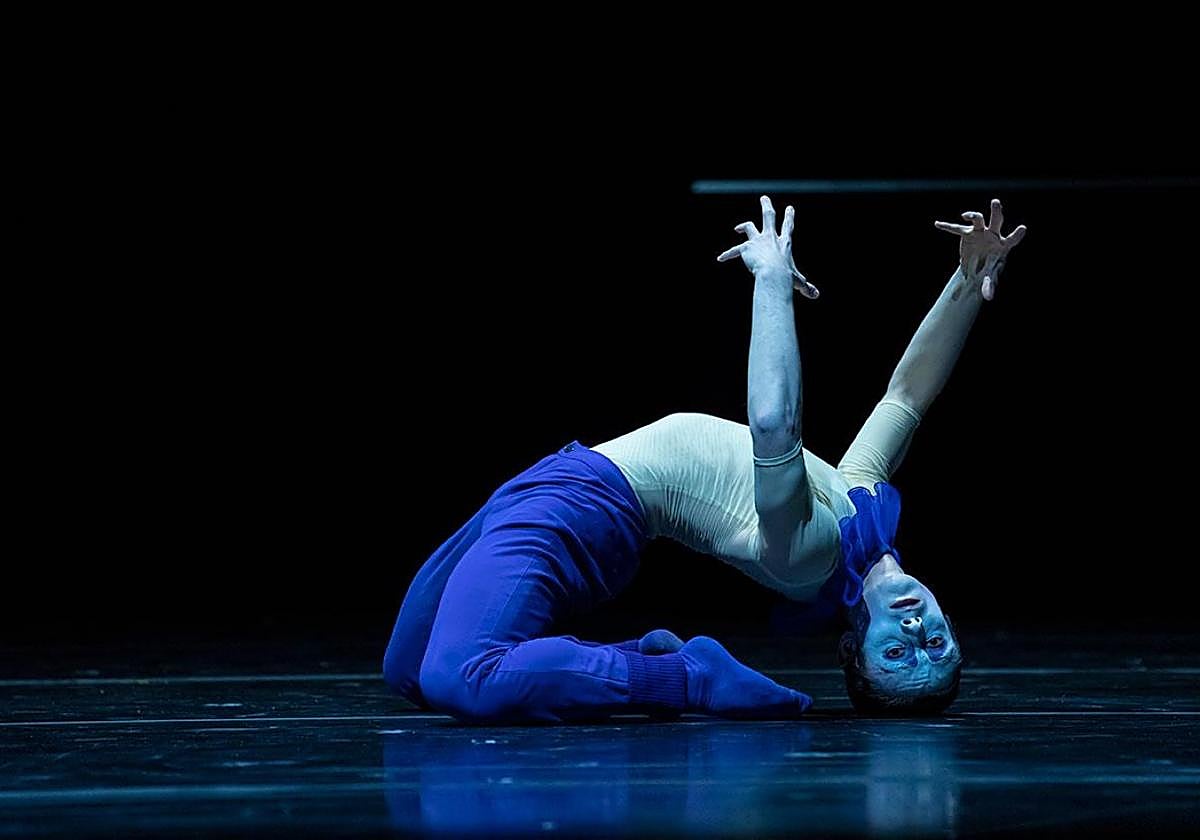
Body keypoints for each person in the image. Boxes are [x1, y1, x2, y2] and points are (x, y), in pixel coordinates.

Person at [382, 196, 1026, 723]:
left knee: (461, 674)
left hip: (586, 509)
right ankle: (647, 655)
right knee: (407, 668)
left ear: (852, 646)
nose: (915, 632)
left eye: (894, 652)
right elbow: (906, 398)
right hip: (552, 482)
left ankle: (686, 677)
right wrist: (968, 280)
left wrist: (770, 281)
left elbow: (774, 426)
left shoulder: (810, 556)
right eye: (935, 644)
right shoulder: (862, 512)